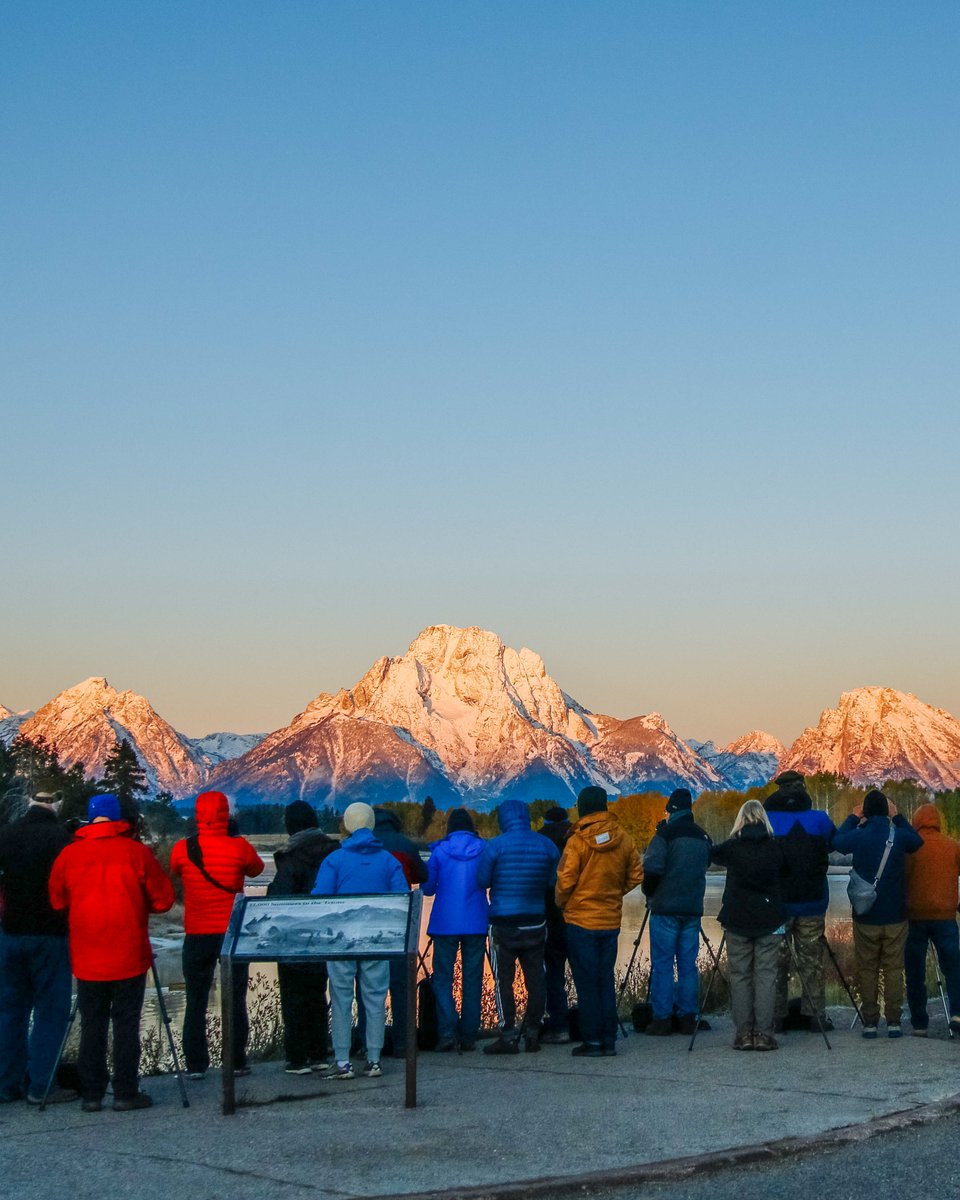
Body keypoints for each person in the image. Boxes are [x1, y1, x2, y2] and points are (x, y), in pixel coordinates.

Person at [48, 793, 174, 1111]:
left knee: (92, 1024)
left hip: (87, 956)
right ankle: (125, 1092)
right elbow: (163, 901)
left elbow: (57, 901)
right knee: (126, 1023)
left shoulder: (69, 855)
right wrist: (137, 903)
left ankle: (91, 1094)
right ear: (118, 819)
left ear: (90, 819)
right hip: (129, 953)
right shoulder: (136, 853)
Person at [169, 791, 264, 1079]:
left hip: (197, 932)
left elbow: (174, 871)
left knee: (196, 998)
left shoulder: (182, 849)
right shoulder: (239, 847)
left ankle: (196, 1064)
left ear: (198, 816)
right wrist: (234, 838)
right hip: (232, 932)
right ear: (227, 815)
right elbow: (257, 870)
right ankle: (235, 1061)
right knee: (234, 997)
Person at [312, 802, 408, 1080]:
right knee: (376, 998)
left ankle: (342, 1061)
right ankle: (374, 1059)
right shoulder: (388, 860)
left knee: (341, 998)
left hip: (341, 940)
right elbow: (401, 899)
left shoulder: (335, 860)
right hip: (377, 939)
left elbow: (320, 899)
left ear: (348, 825)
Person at [0, 791, 76, 1105]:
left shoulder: (6, 837)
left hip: (9, 934)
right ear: (56, 806)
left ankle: (6, 1084)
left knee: (9, 1011)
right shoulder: (63, 841)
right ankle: (42, 1085)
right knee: (50, 1012)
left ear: (30, 805)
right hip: (51, 935)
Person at [556, 787, 643, 1058]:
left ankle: (592, 1040)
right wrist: (615, 892)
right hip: (610, 920)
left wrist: (563, 902)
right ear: (604, 806)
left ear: (582, 808)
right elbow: (637, 874)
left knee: (586, 982)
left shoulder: (577, 842)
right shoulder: (624, 838)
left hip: (581, 921)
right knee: (604, 980)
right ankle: (608, 1039)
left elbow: (566, 880)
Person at [832, 789, 922, 1038]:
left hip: (866, 915)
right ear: (887, 811)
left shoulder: (859, 835)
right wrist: (899, 816)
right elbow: (917, 842)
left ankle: (870, 1022)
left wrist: (852, 817)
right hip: (895, 914)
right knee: (894, 969)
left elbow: (836, 842)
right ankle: (893, 1022)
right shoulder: (899, 835)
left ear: (866, 812)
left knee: (867, 969)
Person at [477, 799, 560, 1055]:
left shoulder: (495, 847)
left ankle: (508, 1034)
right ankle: (533, 1031)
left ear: (503, 819)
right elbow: (552, 881)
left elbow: (482, 880)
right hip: (536, 920)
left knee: (504, 980)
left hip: (503, 922)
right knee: (537, 978)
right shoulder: (546, 846)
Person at [267, 800, 339, 1073]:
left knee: (293, 996)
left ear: (290, 826)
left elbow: (278, 896)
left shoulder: (291, 858)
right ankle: (319, 1052)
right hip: (327, 935)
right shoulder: (333, 852)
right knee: (317, 994)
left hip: (295, 938)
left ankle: (297, 1058)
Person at [763, 770, 836, 1033]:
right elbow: (833, 843)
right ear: (803, 789)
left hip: (778, 907)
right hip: (812, 903)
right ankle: (815, 1015)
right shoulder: (820, 820)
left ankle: (775, 1017)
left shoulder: (767, 819)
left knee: (776, 961)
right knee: (812, 962)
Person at [711, 800, 787, 1051]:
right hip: (770, 918)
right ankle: (764, 1034)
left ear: (740, 820)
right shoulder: (776, 848)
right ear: (764, 819)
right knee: (766, 976)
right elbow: (786, 872)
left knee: (740, 976)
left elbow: (711, 853)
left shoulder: (732, 848)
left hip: (737, 919)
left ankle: (744, 1034)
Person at [641, 787, 711, 1037]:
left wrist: (648, 893)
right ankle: (687, 1017)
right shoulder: (703, 837)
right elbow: (707, 863)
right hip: (692, 910)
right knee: (687, 965)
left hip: (665, 909)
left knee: (662, 964)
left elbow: (652, 869)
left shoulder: (665, 835)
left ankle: (661, 1019)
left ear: (671, 811)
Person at [422, 808, 489, 1051]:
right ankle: (469, 1033)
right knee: (472, 978)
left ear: (449, 827)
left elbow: (428, 889)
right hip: (476, 923)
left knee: (442, 979)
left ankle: (448, 1031)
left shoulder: (439, 852)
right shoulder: (483, 849)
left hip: (444, 924)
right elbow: (488, 880)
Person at [366, 807, 428, 1056]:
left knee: (368, 987)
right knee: (401, 985)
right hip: (399, 921)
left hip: (366, 925)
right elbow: (423, 876)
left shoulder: (352, 847)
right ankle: (404, 1043)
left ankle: (370, 1044)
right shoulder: (406, 845)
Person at [902, 803, 960, 1037]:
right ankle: (957, 1012)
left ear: (916, 821)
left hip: (915, 917)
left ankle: (919, 1023)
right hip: (945, 916)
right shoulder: (953, 847)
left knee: (914, 971)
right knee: (954, 967)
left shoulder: (909, 848)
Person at [539, 805, 574, 1043]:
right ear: (567, 819)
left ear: (545, 821)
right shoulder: (578, 838)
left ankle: (558, 1025)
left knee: (553, 971)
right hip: (580, 912)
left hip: (547, 914)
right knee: (585, 970)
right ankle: (594, 1024)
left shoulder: (538, 840)